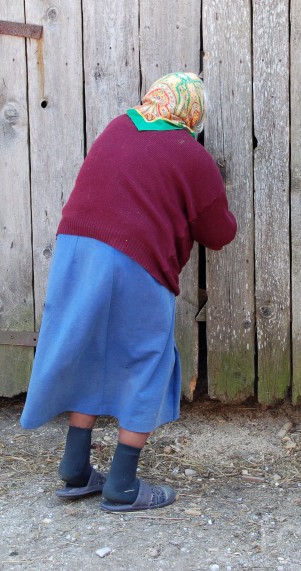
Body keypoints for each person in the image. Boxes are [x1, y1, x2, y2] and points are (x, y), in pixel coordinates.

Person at [20, 72, 237, 512]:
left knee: (86, 350)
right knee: (145, 359)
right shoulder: (191, 156)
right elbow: (218, 234)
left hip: (75, 248)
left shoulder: (119, 126)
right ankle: (121, 485)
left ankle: (76, 470)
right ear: (192, 114)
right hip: (133, 259)